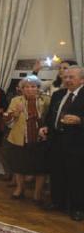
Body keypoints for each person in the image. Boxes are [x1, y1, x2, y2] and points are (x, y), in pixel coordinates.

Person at [39, 65, 84, 221]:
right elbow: (50, 116)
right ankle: (57, 202)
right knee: (57, 173)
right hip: (56, 141)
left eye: (71, 77)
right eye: (65, 77)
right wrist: (45, 127)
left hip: (77, 144)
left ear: (82, 79)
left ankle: (78, 208)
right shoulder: (58, 94)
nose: (67, 80)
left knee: (76, 176)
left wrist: (80, 120)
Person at [3, 75, 50, 204]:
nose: (30, 89)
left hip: (40, 138)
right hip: (20, 138)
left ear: (38, 88)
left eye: (33, 86)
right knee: (19, 166)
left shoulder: (45, 101)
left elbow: (51, 118)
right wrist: (15, 113)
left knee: (40, 167)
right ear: (22, 89)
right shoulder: (16, 100)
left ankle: (37, 194)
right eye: (26, 87)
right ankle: (20, 189)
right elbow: (6, 119)